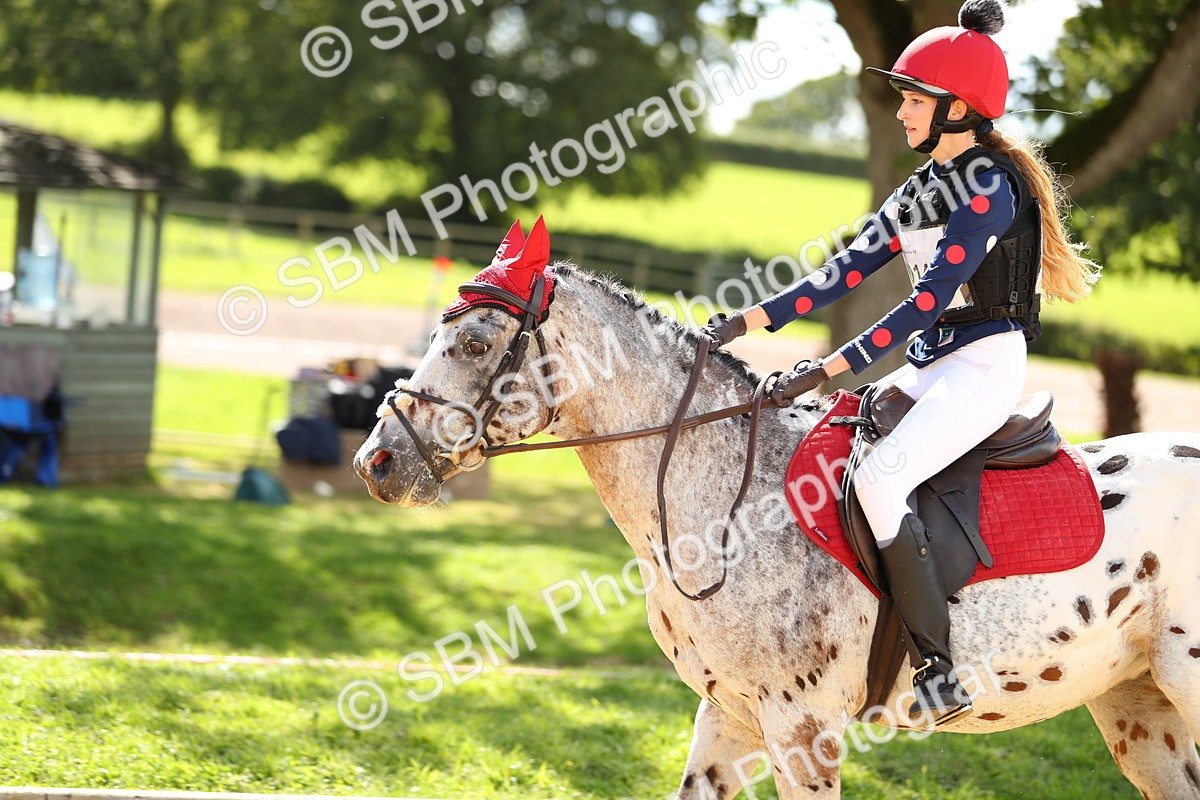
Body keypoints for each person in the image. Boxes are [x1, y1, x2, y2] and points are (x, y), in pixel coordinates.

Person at [701, 0, 1099, 724]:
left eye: (914, 100)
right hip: (928, 364)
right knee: (818, 448)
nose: (901, 113)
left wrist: (825, 368)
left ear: (957, 108)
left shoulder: (990, 189)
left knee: (882, 484)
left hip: (982, 365)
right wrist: (744, 321)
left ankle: (938, 668)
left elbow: (928, 301)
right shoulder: (917, 190)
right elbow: (840, 275)